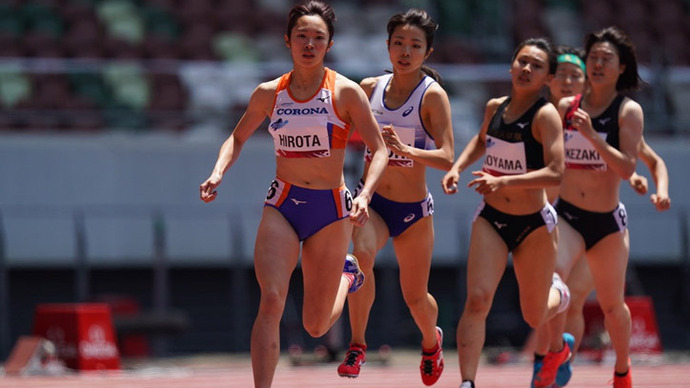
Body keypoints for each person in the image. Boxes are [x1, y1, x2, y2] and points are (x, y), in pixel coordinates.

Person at [198, 2, 388, 387]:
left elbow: (380, 148)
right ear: (287, 41)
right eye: (301, 35)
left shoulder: (346, 93)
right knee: (271, 299)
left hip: (330, 209)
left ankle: (348, 276)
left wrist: (366, 194)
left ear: (329, 45)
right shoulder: (270, 93)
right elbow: (236, 138)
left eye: (318, 37)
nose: (309, 43)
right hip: (283, 205)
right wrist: (218, 172)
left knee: (316, 326)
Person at [531, 43, 671, 388]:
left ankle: (620, 369)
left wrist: (654, 186)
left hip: (605, 222)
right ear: (549, 80)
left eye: (573, 75)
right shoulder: (551, 116)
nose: (566, 82)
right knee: (550, 284)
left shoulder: (621, 116)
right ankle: (551, 355)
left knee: (597, 304)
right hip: (560, 217)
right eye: (560, 75)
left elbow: (642, 162)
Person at [441, 37, 569, 388]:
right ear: (512, 65)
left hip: (534, 225)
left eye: (537, 66)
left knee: (535, 314)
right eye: (522, 61)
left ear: (547, 78)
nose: (527, 69)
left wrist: (506, 182)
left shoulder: (545, 116)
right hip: (491, 219)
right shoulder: (495, 105)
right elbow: (483, 140)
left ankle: (560, 293)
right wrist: (458, 167)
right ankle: (467, 382)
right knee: (478, 298)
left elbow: (556, 172)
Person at [335, 9, 454, 386]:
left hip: (414, 210)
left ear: (427, 52)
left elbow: (448, 156)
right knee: (361, 258)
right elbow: (337, 135)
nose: (405, 51)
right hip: (374, 203)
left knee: (416, 298)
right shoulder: (369, 88)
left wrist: (406, 149)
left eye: (415, 45)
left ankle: (430, 342)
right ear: (387, 47)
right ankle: (357, 345)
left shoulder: (432, 97)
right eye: (399, 44)